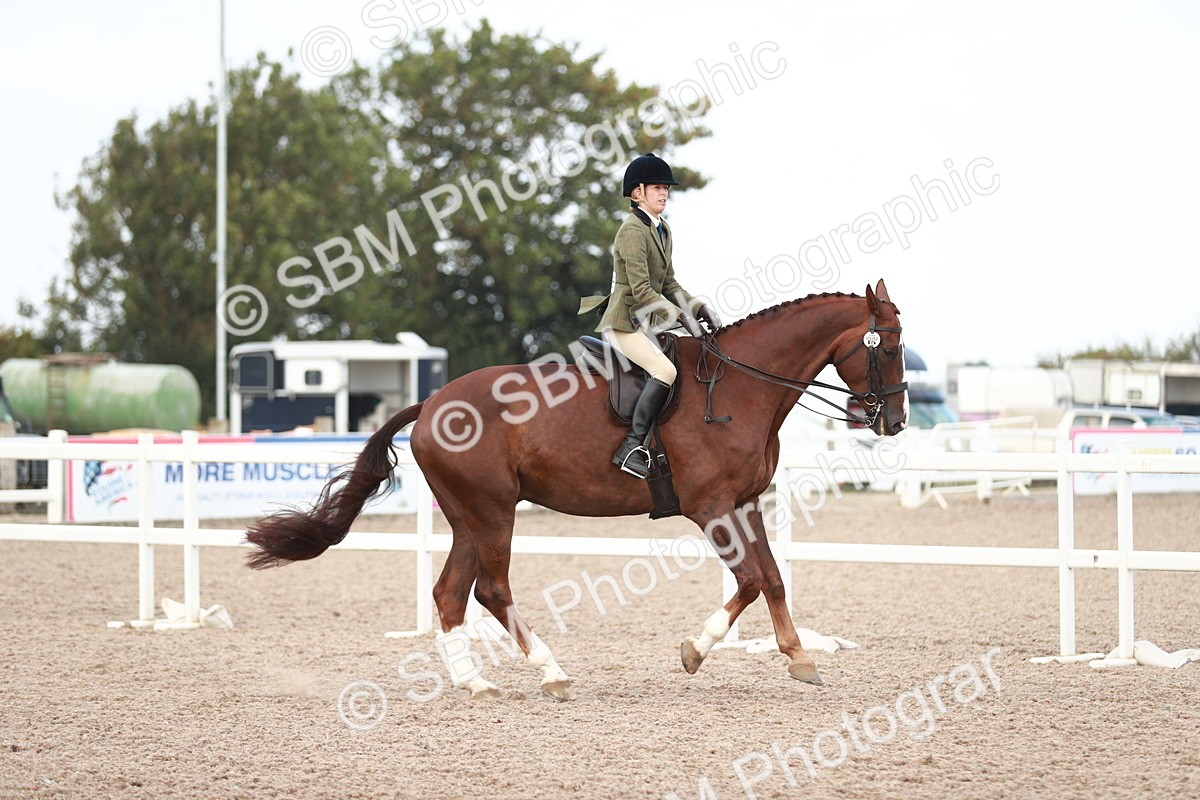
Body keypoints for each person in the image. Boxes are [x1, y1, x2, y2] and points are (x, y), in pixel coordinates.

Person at [578, 153, 721, 479]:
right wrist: (679, 317)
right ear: (636, 193)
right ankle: (631, 447)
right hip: (623, 322)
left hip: (644, 322)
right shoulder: (631, 231)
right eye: (657, 187)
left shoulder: (662, 229)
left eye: (665, 188)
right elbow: (642, 290)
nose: (664, 193)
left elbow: (669, 283)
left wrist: (698, 308)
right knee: (665, 370)